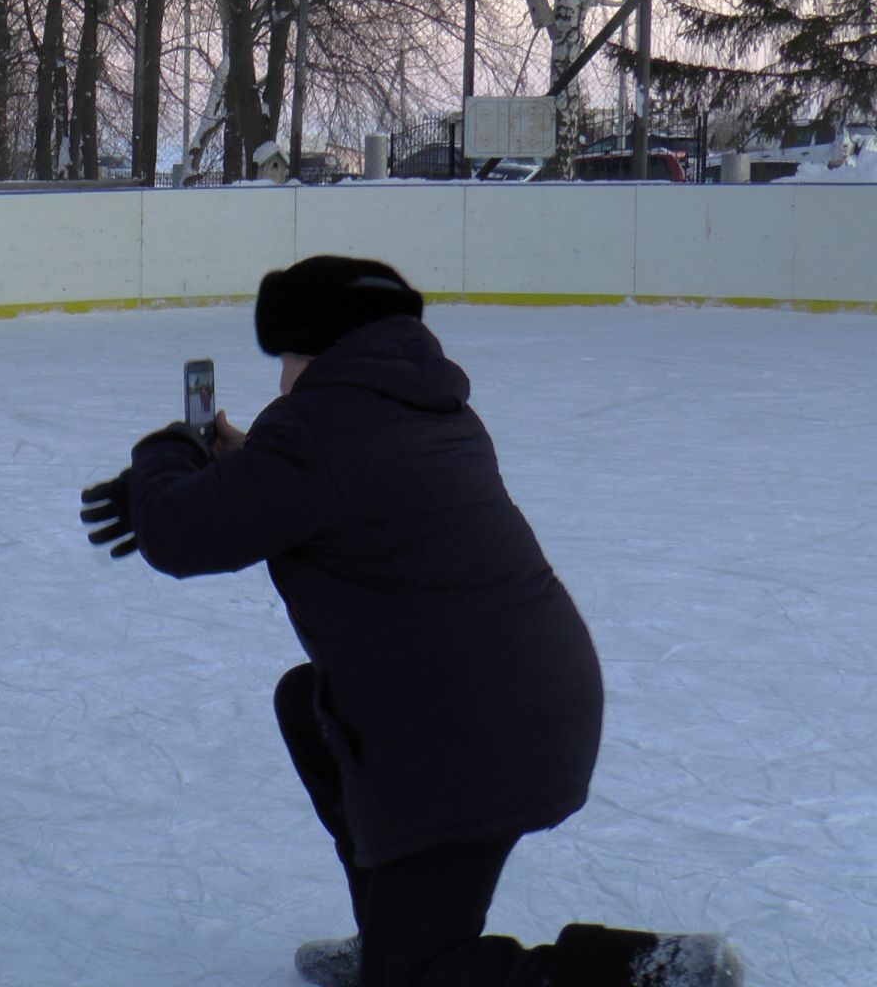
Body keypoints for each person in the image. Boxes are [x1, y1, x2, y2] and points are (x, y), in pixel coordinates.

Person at [81, 255, 742, 987]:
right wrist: (240, 467)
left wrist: (169, 449)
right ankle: (394, 930)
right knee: (308, 704)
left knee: (415, 981)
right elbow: (329, 487)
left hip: (465, 741)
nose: (281, 379)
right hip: (527, 707)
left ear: (317, 349)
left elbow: (181, 537)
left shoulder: (315, 435)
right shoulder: (431, 409)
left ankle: (645, 971)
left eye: (289, 356)